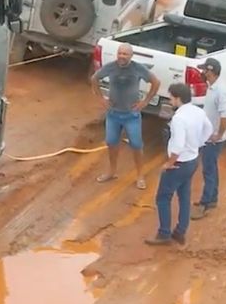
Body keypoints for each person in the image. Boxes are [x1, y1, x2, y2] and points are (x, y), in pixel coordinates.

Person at [147, 82, 212, 247]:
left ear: (178, 98)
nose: (170, 100)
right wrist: (198, 144)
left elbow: (178, 144)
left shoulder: (179, 118)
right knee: (184, 197)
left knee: (163, 198)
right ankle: (180, 232)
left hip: (179, 163)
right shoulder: (198, 111)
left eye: (171, 97)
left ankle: (164, 234)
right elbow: (209, 129)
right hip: (192, 160)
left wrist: (169, 163)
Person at [91, 42, 160, 190]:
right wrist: (100, 98)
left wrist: (145, 101)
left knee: (136, 145)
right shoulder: (110, 67)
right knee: (111, 142)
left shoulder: (138, 68)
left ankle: (140, 175)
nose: (122, 56)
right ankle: (111, 171)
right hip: (113, 114)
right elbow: (94, 79)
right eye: (120, 53)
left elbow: (155, 82)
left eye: (125, 54)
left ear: (131, 56)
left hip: (131, 115)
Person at [194, 57, 226, 220]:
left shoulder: (220, 91)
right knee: (212, 168)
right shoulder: (212, 88)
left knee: (208, 170)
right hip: (210, 136)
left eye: (204, 70)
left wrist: (218, 134)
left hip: (214, 139)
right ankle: (212, 199)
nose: (202, 73)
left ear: (210, 71)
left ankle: (205, 203)